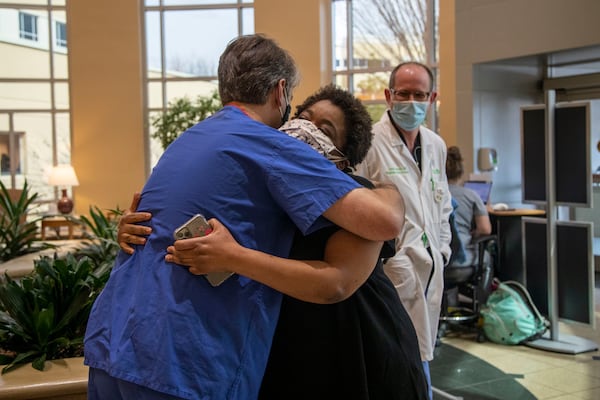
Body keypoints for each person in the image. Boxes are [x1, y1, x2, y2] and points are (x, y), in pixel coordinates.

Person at [83, 35, 406, 400]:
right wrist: (393, 192)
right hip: (181, 363)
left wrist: (386, 188)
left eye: (324, 128)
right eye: (303, 117)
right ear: (281, 92)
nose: (306, 130)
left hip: (118, 345)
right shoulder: (269, 145)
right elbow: (385, 221)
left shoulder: (189, 139)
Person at [354, 61, 453, 399]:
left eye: (420, 94)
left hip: (430, 267)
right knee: (396, 358)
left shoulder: (436, 145)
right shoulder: (368, 143)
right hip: (390, 269)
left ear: (432, 97)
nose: (411, 101)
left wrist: (442, 249)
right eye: (403, 93)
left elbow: (443, 206)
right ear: (388, 96)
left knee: (421, 352)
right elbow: (358, 208)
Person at [446, 145, 492, 266]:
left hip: (439, 260)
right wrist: (473, 234)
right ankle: (486, 285)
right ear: (460, 173)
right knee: (487, 257)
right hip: (463, 258)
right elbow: (485, 229)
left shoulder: (433, 194)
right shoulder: (471, 195)